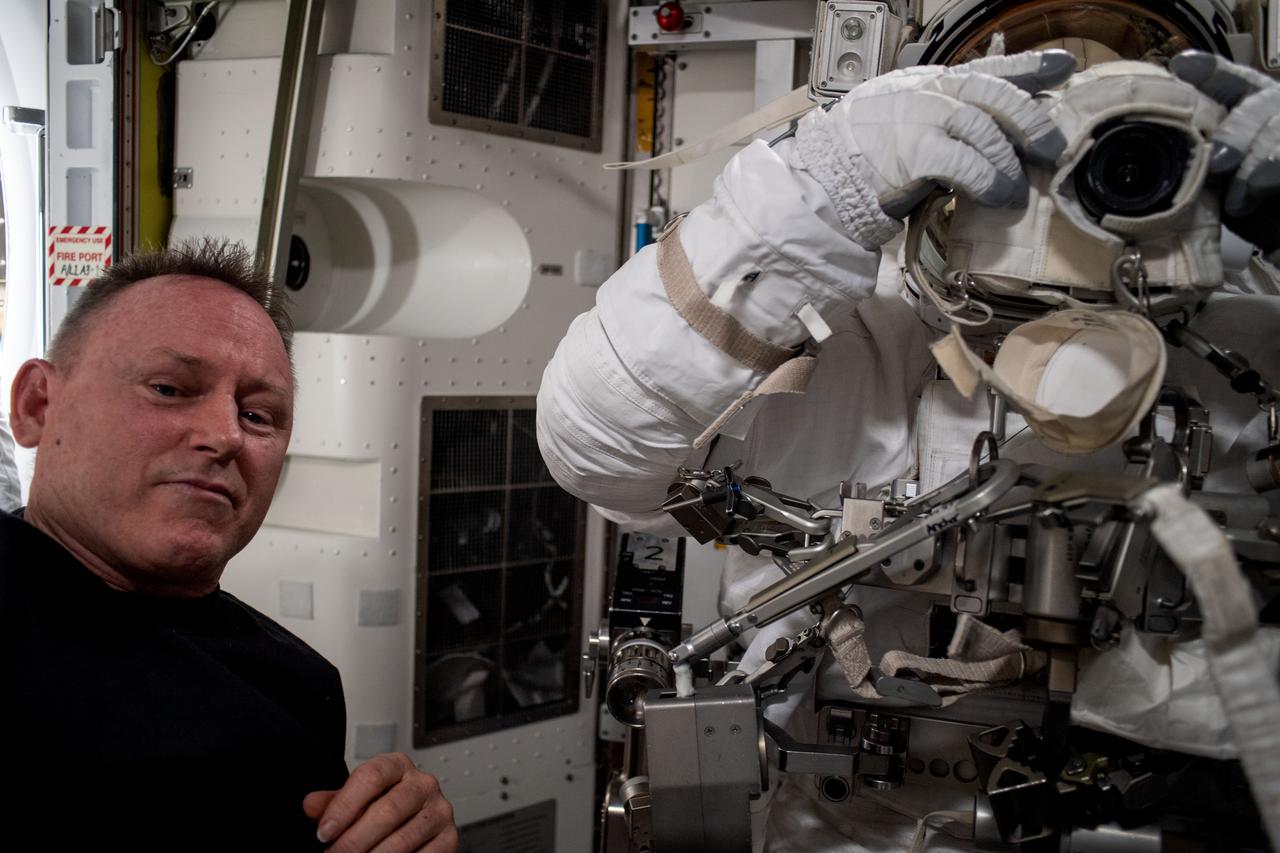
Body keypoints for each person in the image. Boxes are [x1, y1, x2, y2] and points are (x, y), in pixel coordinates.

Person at [537, 47, 1280, 852]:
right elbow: (596, 450)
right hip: (859, 820)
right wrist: (802, 207)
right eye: (1037, 119)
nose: (1074, 150)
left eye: (1120, 123)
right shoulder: (846, 326)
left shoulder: (1249, 330)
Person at [0, 240, 458, 852]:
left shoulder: (299, 680)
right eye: (167, 388)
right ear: (37, 406)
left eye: (259, 416)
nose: (224, 436)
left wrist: (401, 830)